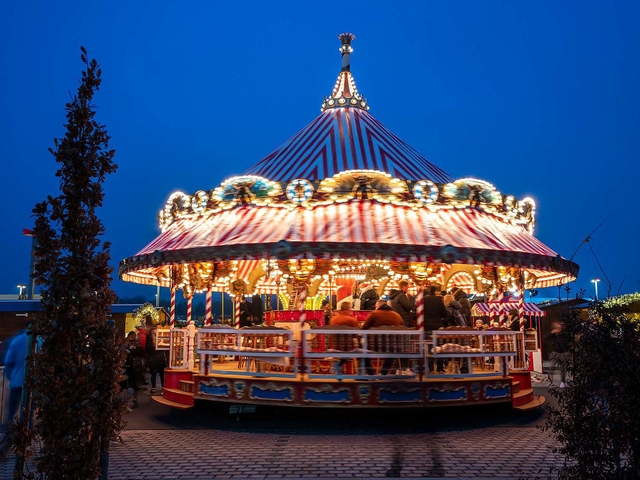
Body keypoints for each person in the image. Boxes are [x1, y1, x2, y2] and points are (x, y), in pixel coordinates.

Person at [0, 330, 28, 457]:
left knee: (11, 413)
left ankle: (6, 444)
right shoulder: (40, 341)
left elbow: (8, 361)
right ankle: (25, 443)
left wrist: (12, 377)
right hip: (31, 384)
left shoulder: (16, 340)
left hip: (16, 382)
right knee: (28, 413)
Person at [362, 299, 404, 375]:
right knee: (392, 349)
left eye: (376, 307)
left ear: (379, 306)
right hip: (394, 347)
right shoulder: (397, 316)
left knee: (361, 348)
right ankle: (384, 372)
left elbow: (364, 328)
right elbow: (402, 327)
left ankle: (370, 372)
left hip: (375, 346)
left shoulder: (374, 314)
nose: (375, 308)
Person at [422, 285, 447, 373]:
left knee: (429, 348)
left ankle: (430, 369)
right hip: (437, 327)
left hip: (426, 326)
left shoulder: (423, 300)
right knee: (439, 347)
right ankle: (440, 368)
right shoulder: (438, 300)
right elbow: (444, 313)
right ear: (435, 291)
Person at [146, 327, 167, 394]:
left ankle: (157, 388)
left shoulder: (152, 340)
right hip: (157, 359)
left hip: (156, 359)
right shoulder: (154, 340)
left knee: (157, 374)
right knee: (157, 374)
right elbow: (149, 349)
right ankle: (158, 388)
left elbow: (148, 350)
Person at [548, 321, 569, 388]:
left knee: (563, 368)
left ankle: (563, 381)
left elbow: (568, 341)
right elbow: (546, 338)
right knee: (551, 367)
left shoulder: (565, 334)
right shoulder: (553, 333)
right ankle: (551, 382)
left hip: (563, 352)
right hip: (554, 352)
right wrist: (552, 333)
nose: (559, 327)